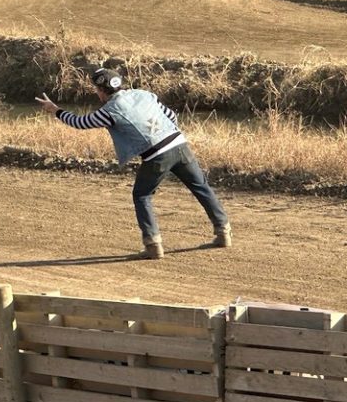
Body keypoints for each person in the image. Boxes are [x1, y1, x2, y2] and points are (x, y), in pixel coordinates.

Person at [36, 68, 231, 260]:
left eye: (96, 89)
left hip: (157, 155)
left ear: (102, 90)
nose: (97, 93)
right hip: (180, 145)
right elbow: (171, 116)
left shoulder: (109, 110)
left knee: (142, 195)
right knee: (201, 186)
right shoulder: (143, 94)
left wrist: (55, 110)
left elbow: (80, 122)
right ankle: (223, 232)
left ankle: (153, 244)